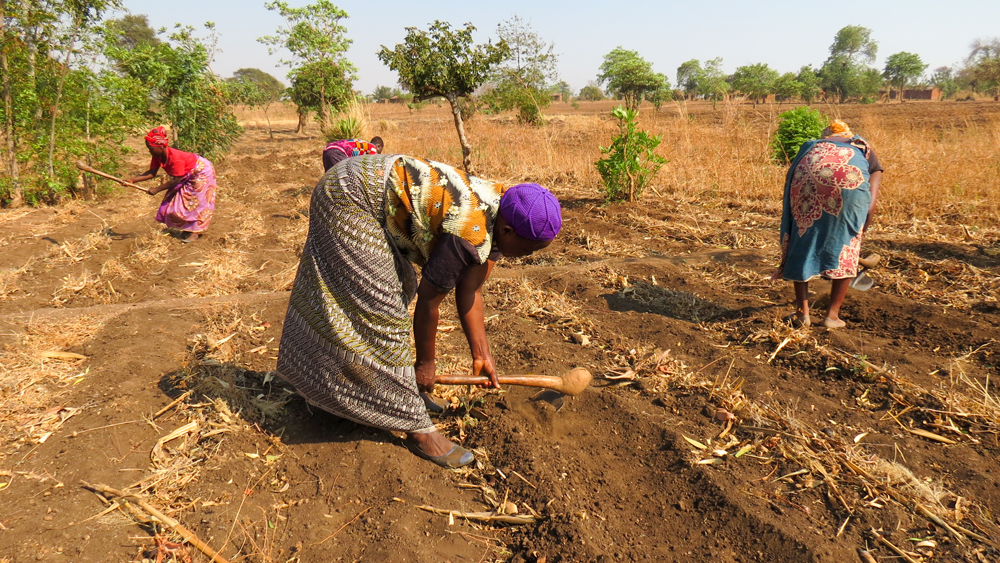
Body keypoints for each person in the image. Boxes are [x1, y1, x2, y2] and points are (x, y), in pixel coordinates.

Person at [276, 154, 561, 468]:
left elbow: (472, 290)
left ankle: (372, 386)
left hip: (368, 191)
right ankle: (415, 427)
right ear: (507, 231)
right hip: (349, 196)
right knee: (382, 313)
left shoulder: (502, 209)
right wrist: (426, 363)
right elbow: (429, 301)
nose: (527, 256)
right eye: (529, 249)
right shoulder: (469, 231)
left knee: (397, 285)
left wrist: (481, 355)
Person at [774, 119, 883, 329]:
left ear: (827, 138)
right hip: (848, 181)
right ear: (849, 136)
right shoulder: (863, 149)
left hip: (807, 174)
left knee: (804, 233)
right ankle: (831, 317)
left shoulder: (814, 147)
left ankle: (801, 314)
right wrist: (855, 237)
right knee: (846, 246)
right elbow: (870, 206)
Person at [126, 127, 217, 243]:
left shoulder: (175, 158)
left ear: (161, 146)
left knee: (196, 202)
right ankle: (188, 229)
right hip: (186, 173)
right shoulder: (157, 156)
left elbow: (176, 180)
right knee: (179, 203)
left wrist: (157, 189)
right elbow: (151, 173)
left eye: (151, 149)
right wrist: (132, 180)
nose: (150, 151)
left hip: (201, 171)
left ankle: (195, 233)